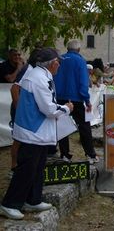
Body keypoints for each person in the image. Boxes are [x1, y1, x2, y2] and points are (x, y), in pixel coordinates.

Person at [0, 48, 74, 220]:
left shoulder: (40, 76)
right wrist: (66, 108)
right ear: (53, 63)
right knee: (26, 169)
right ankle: (9, 203)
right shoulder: (39, 79)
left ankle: (32, 200)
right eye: (58, 62)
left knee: (37, 168)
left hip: (36, 131)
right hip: (32, 132)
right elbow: (48, 109)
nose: (59, 65)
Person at [50, 39, 98, 164]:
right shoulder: (80, 61)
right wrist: (87, 100)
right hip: (75, 98)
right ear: (78, 49)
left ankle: (65, 155)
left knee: (62, 127)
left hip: (60, 98)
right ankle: (90, 155)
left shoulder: (59, 59)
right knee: (84, 127)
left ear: (67, 48)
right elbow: (83, 82)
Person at [8, 49, 40, 178]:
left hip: (24, 110)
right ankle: (14, 167)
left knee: (23, 139)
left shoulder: (32, 69)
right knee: (18, 139)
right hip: (20, 109)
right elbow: (14, 88)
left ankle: (21, 166)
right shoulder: (29, 69)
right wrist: (19, 108)